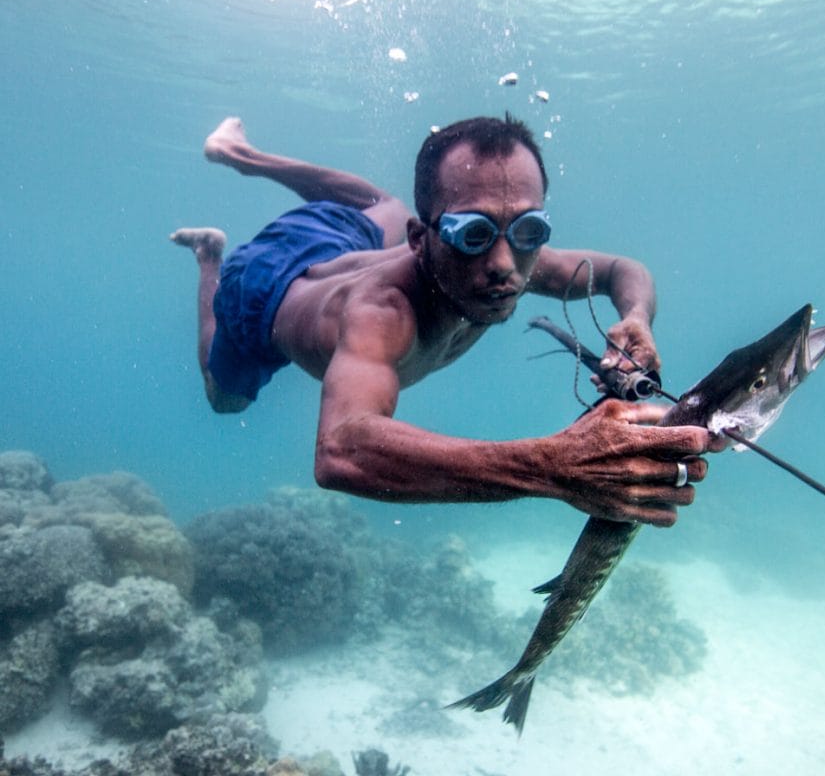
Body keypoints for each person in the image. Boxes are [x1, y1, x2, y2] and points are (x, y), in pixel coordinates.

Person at [172, 115, 715, 527]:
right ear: (422, 239)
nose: (503, 265)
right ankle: (208, 256)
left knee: (377, 204)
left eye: (528, 230)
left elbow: (623, 270)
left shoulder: (510, 259)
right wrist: (553, 465)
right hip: (262, 288)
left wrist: (636, 318)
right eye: (471, 234)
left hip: (339, 235)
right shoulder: (384, 315)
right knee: (225, 396)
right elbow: (340, 449)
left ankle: (242, 154)